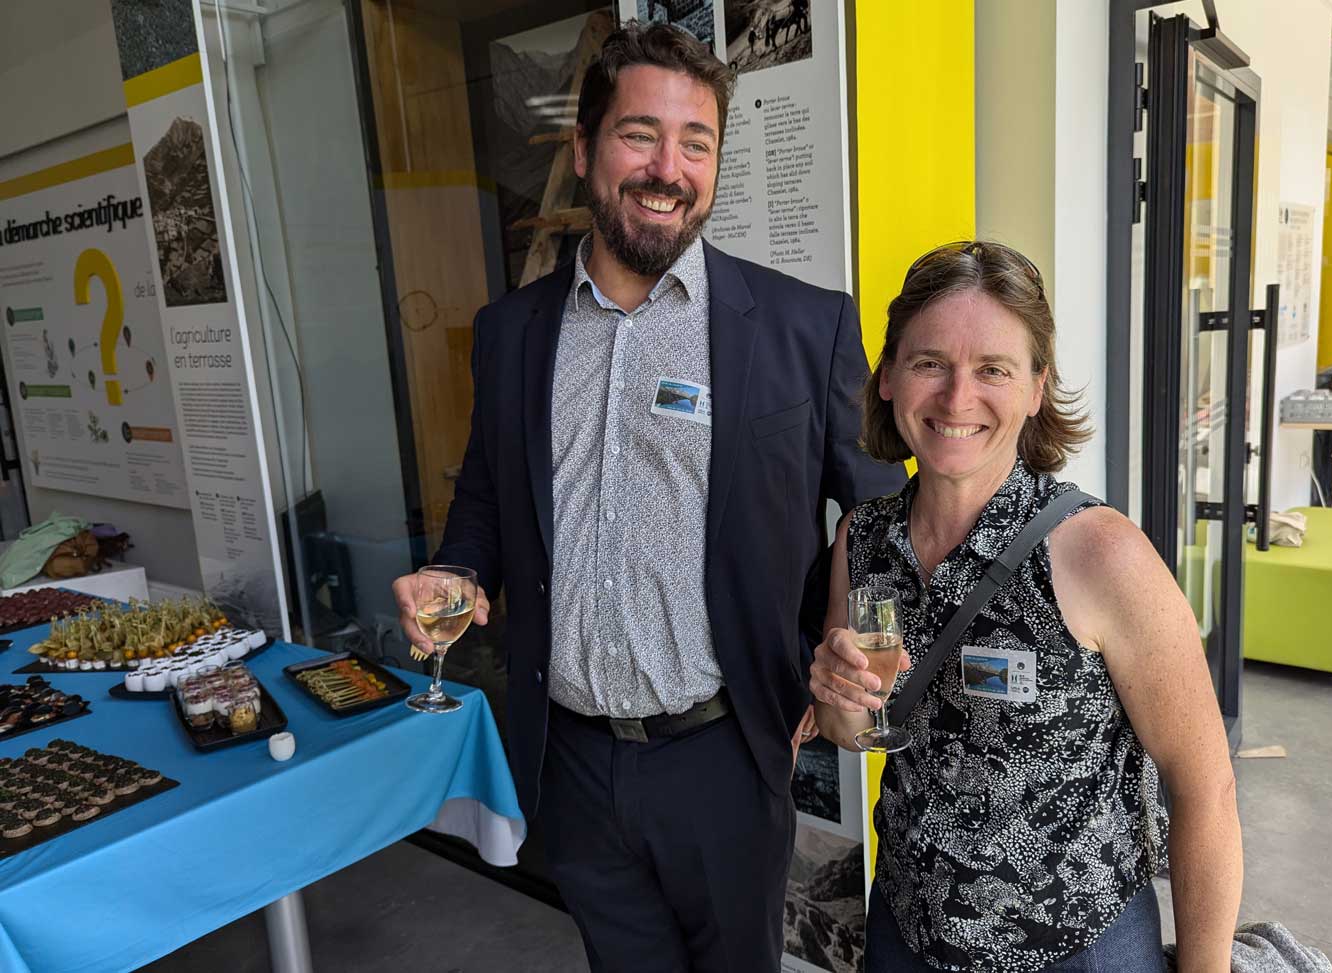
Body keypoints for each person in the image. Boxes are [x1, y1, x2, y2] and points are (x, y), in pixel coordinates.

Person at [391, 22, 906, 973]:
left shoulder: (802, 326)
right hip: (574, 758)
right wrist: (455, 570)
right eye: (640, 135)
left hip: (726, 753)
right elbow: (491, 502)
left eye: (696, 143)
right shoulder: (511, 333)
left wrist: (853, 654)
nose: (668, 168)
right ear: (585, 150)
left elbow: (881, 520)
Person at [809, 241, 1242, 972]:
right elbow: (849, 727)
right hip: (907, 931)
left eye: (993, 370)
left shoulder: (1100, 554)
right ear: (887, 377)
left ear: (1037, 387)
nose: (956, 398)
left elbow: (1205, 786)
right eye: (929, 363)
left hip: (1077, 947)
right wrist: (839, 698)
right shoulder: (865, 536)